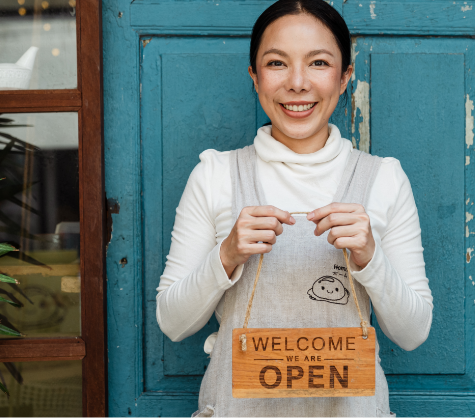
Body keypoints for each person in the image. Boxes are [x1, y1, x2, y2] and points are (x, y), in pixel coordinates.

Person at [156, 0, 433, 416]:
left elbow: (412, 333)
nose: (298, 83)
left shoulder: (384, 179)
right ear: (255, 76)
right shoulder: (214, 175)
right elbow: (172, 323)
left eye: (319, 63)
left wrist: (370, 257)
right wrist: (227, 254)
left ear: (344, 78)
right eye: (277, 63)